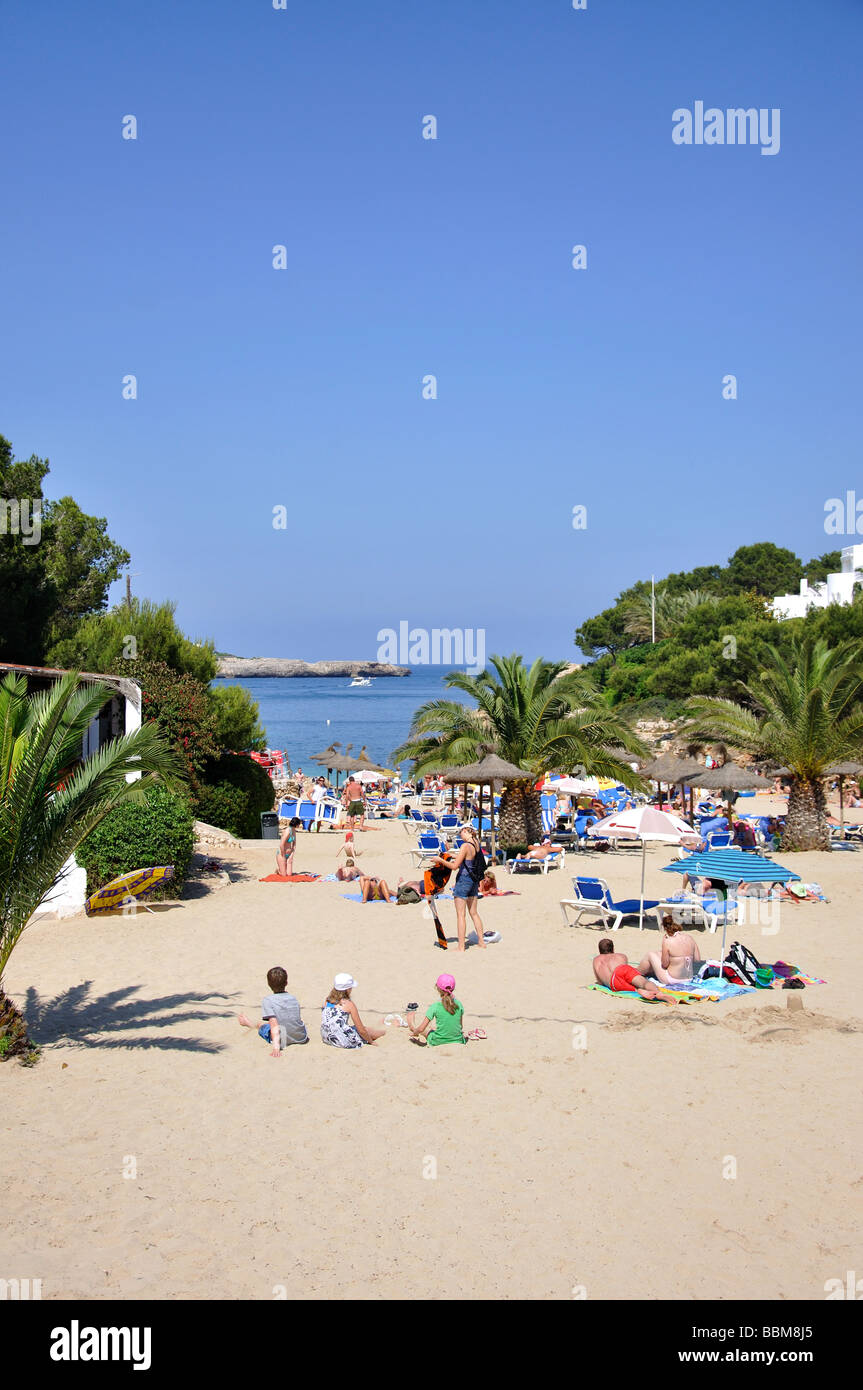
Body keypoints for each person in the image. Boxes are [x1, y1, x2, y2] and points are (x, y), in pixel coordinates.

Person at [238, 966, 309, 1058]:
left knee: (262, 1026)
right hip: (301, 1037)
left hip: (282, 1040)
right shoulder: (293, 998)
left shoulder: (268, 1001)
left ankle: (247, 1023)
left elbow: (274, 1025)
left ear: (268, 984)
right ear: (286, 982)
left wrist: (276, 1048)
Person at [435, 826, 486, 952]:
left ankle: (461, 946)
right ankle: (481, 942)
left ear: (466, 831)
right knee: (474, 913)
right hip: (474, 881)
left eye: (461, 833)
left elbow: (454, 866)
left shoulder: (465, 846)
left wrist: (440, 860)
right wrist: (451, 855)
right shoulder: (476, 843)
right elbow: (467, 858)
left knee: (460, 915)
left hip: (464, 881)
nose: (460, 836)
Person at [592, 940, 677, 1003]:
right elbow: (625, 972)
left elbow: (600, 982)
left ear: (599, 950)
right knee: (644, 982)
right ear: (613, 948)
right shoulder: (621, 956)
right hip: (623, 968)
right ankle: (659, 993)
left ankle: (639, 990)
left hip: (614, 980)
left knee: (632, 987)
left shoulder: (596, 960)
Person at [406, 974, 474, 1046]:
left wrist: (415, 1033)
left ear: (437, 988)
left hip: (438, 1041)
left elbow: (421, 1029)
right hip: (458, 1040)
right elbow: (460, 1026)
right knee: (435, 1028)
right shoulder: (459, 1004)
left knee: (423, 1030)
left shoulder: (435, 1006)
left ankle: (412, 1026)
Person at [320, 973, 384, 1047]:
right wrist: (371, 1042)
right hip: (342, 1040)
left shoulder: (327, 1001)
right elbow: (361, 1030)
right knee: (367, 1030)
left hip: (326, 1037)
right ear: (347, 989)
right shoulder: (348, 1004)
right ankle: (384, 1032)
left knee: (351, 1028)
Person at [638, 915, 701, 986]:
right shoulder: (690, 938)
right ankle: (644, 971)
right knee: (658, 953)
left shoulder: (667, 941)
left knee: (650, 954)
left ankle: (637, 973)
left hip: (672, 979)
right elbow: (697, 959)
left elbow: (665, 964)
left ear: (665, 928)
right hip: (688, 978)